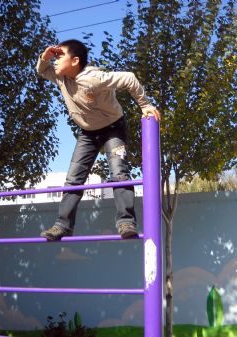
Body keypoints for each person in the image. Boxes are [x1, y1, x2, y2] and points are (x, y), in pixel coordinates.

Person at [36, 39, 160, 241]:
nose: (55, 61)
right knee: (73, 178)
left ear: (75, 61)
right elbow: (42, 70)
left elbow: (128, 78)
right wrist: (45, 57)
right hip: (87, 132)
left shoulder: (94, 77)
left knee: (119, 171)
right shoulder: (60, 78)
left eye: (60, 57)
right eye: (55, 58)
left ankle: (126, 222)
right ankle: (63, 225)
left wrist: (144, 105)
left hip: (113, 127)